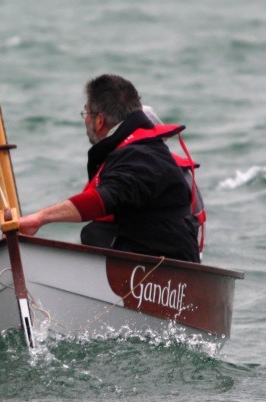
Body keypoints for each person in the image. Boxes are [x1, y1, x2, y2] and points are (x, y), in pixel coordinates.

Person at [18, 74, 201, 263]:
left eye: (86, 113)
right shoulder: (148, 150)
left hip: (158, 273)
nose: (85, 120)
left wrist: (40, 218)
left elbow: (106, 198)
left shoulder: (139, 155)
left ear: (99, 121)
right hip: (155, 264)